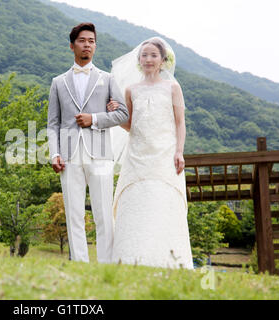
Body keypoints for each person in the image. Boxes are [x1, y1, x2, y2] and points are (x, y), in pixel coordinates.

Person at [47, 22, 129, 263]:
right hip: (69, 157)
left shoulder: (108, 78)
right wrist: (54, 154)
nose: (87, 45)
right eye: (83, 41)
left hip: (101, 155)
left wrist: (94, 118)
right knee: (74, 214)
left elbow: (122, 114)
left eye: (91, 41)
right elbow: (52, 124)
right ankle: (80, 264)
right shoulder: (58, 82)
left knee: (103, 214)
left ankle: (106, 264)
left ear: (95, 46)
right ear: (72, 46)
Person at [109, 37, 194, 269]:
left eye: (153, 55)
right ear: (138, 60)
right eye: (144, 55)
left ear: (163, 60)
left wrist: (179, 151)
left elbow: (180, 123)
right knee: (136, 201)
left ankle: (169, 260)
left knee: (162, 200)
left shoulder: (173, 88)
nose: (148, 59)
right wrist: (116, 116)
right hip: (137, 154)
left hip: (165, 154)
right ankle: (128, 259)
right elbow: (130, 124)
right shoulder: (130, 90)